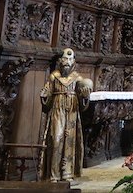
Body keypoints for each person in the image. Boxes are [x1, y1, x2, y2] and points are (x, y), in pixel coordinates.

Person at [39, 48, 93, 182]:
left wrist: (85, 97)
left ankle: (67, 172)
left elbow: (82, 103)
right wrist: (44, 96)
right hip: (58, 109)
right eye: (64, 59)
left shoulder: (77, 79)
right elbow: (47, 97)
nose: (67, 62)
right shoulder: (54, 76)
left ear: (73, 61)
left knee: (69, 140)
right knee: (56, 138)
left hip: (72, 112)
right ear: (60, 61)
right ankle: (54, 173)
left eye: (70, 59)